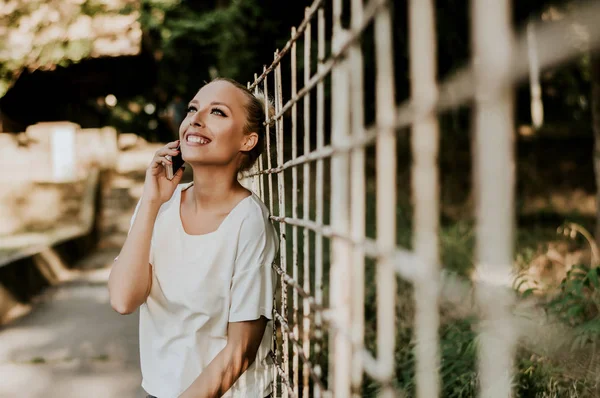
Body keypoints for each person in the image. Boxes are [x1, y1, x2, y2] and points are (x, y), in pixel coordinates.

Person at [108, 78, 278, 398]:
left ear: (247, 140)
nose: (195, 119)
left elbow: (240, 350)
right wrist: (150, 201)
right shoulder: (159, 208)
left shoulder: (248, 221)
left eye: (218, 112)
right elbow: (123, 299)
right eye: (192, 109)